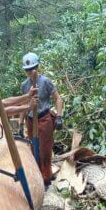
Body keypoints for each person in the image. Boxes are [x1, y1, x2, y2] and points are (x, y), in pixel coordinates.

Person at [19, 52, 63, 186]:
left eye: (32, 69)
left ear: (37, 67)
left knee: (45, 150)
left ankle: (46, 179)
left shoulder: (45, 81)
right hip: (31, 120)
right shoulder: (24, 85)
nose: (29, 72)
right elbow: (23, 104)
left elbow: (58, 98)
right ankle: (36, 177)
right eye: (27, 70)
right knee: (33, 149)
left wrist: (59, 116)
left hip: (44, 119)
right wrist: (20, 124)